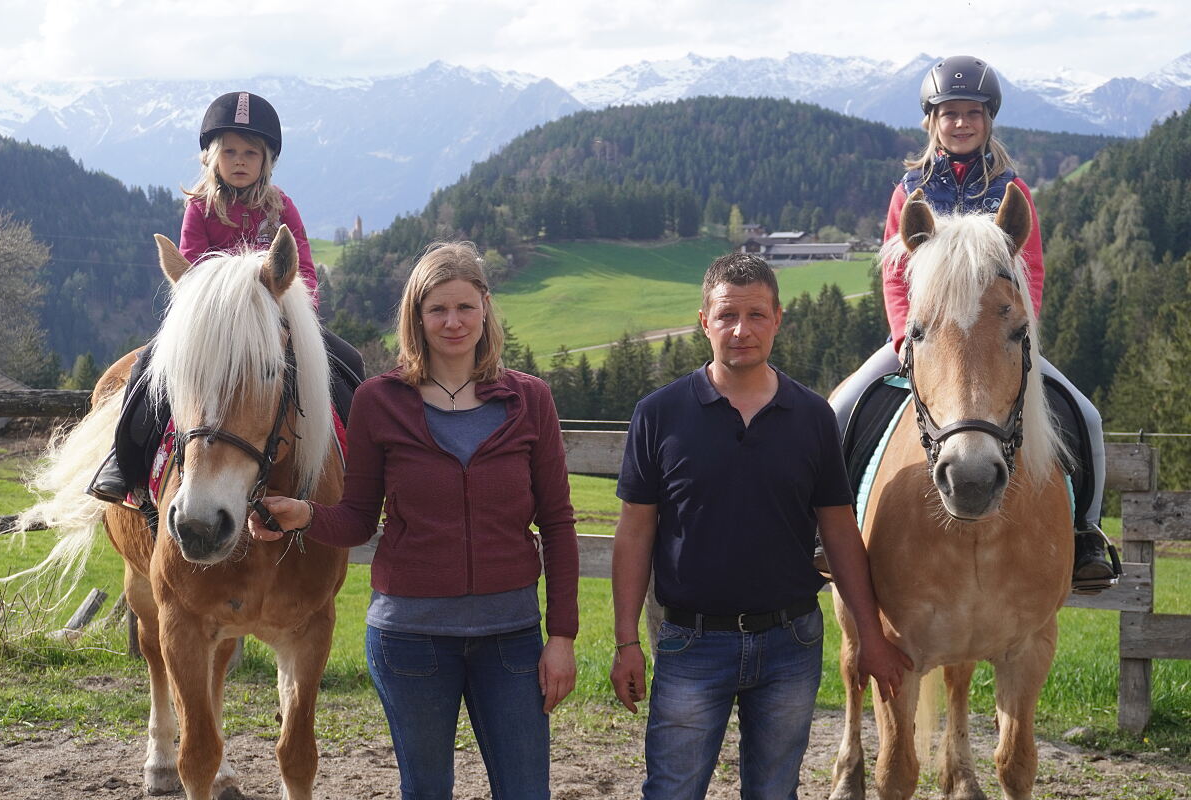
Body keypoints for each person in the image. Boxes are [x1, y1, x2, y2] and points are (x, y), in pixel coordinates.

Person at [248, 242, 579, 800]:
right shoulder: (380, 401)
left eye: (465, 307)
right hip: (410, 641)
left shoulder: (530, 401)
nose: (453, 322)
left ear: (485, 310)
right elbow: (357, 520)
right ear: (416, 317)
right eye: (437, 309)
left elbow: (559, 523)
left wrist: (563, 636)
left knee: (527, 790)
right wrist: (304, 515)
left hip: (511, 639)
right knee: (425, 790)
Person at [610, 252, 912, 800]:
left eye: (755, 315)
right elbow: (634, 532)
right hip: (689, 642)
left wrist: (871, 635)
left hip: (789, 641)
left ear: (778, 318)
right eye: (726, 316)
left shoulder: (813, 417)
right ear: (704, 321)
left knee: (775, 791)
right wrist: (626, 640)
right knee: (673, 790)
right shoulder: (658, 414)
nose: (740, 330)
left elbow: (841, 533)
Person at [828, 55, 1118, 592]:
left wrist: (1017, 329)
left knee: (1089, 419)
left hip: (997, 338)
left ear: (989, 119)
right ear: (931, 121)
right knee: (838, 411)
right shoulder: (909, 190)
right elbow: (896, 276)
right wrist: (904, 336)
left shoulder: (1012, 190)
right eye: (950, 113)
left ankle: (1084, 536)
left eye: (972, 113)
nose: (961, 122)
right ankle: (827, 532)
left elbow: (1029, 268)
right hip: (925, 337)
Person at [87, 91, 363, 503]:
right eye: (230, 151)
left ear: (265, 161)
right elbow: (194, 272)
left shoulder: (282, 208)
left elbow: (302, 269)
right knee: (147, 369)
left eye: (250, 153)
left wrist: (295, 316)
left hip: (273, 322)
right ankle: (124, 461)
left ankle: (361, 465)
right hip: (212, 324)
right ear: (212, 157)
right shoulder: (200, 207)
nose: (239, 160)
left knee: (350, 364)